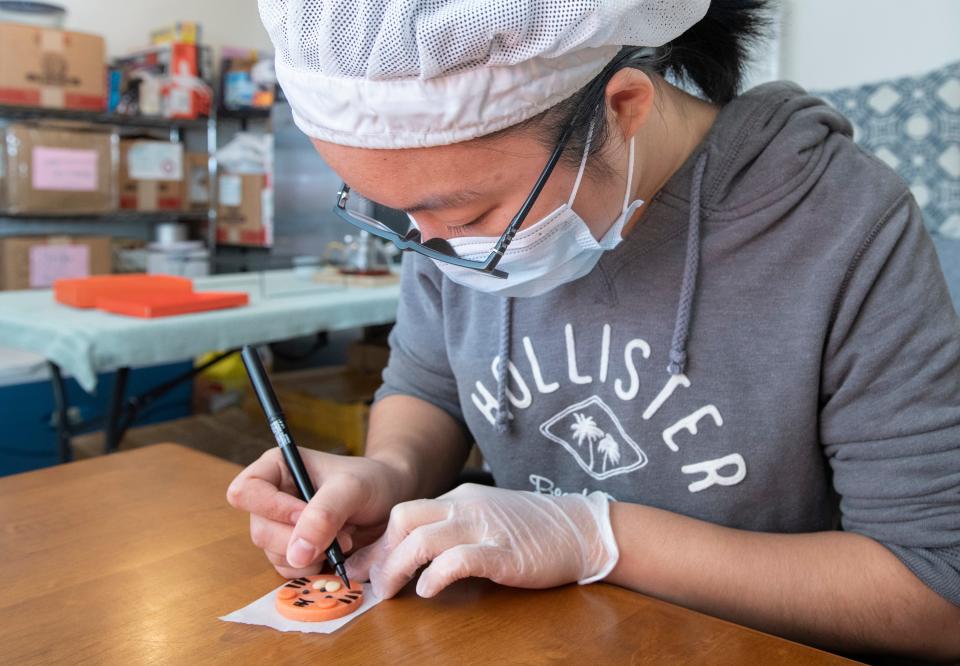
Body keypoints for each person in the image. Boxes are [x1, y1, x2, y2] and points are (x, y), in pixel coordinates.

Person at [228, 0, 960, 659]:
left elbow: (937, 596)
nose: (437, 247)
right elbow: (429, 385)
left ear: (624, 106)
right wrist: (388, 474)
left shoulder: (840, 223)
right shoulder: (445, 214)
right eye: (399, 216)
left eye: (469, 218)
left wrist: (598, 539)